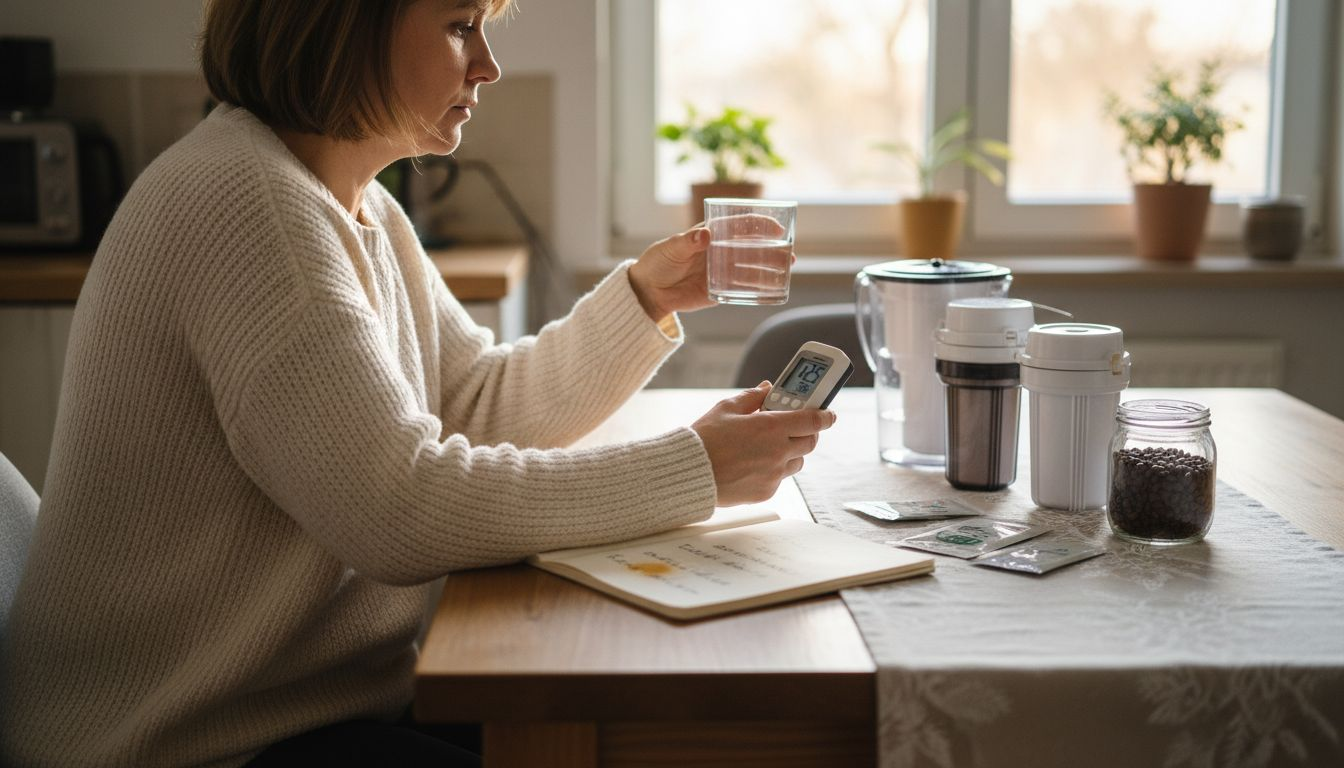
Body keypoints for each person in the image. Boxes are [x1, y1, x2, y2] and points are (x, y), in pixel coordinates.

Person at [0, 1, 836, 766]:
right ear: (344, 25)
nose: (488, 66)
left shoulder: (353, 203)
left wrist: (645, 297)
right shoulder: (246, 202)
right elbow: (398, 510)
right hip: (179, 744)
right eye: (460, 25)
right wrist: (696, 468)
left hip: (293, 712)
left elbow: (475, 404)